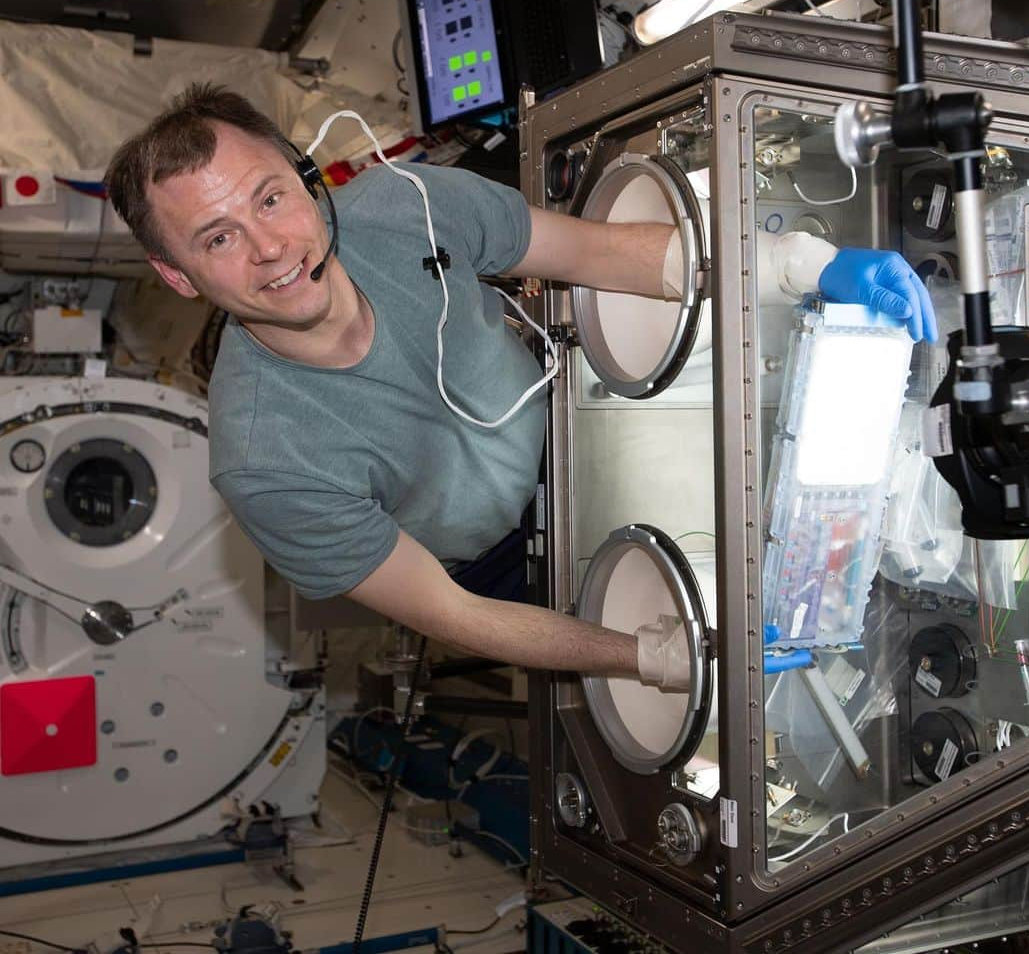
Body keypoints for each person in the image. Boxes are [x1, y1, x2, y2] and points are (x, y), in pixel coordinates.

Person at [105, 84, 937, 691]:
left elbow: (597, 254)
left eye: (271, 198)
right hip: (504, 568)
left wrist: (791, 264)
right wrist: (646, 655)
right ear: (177, 277)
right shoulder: (266, 461)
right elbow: (457, 618)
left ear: (305, 177)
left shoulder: (409, 206)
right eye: (218, 238)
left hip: (583, 425)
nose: (270, 248)